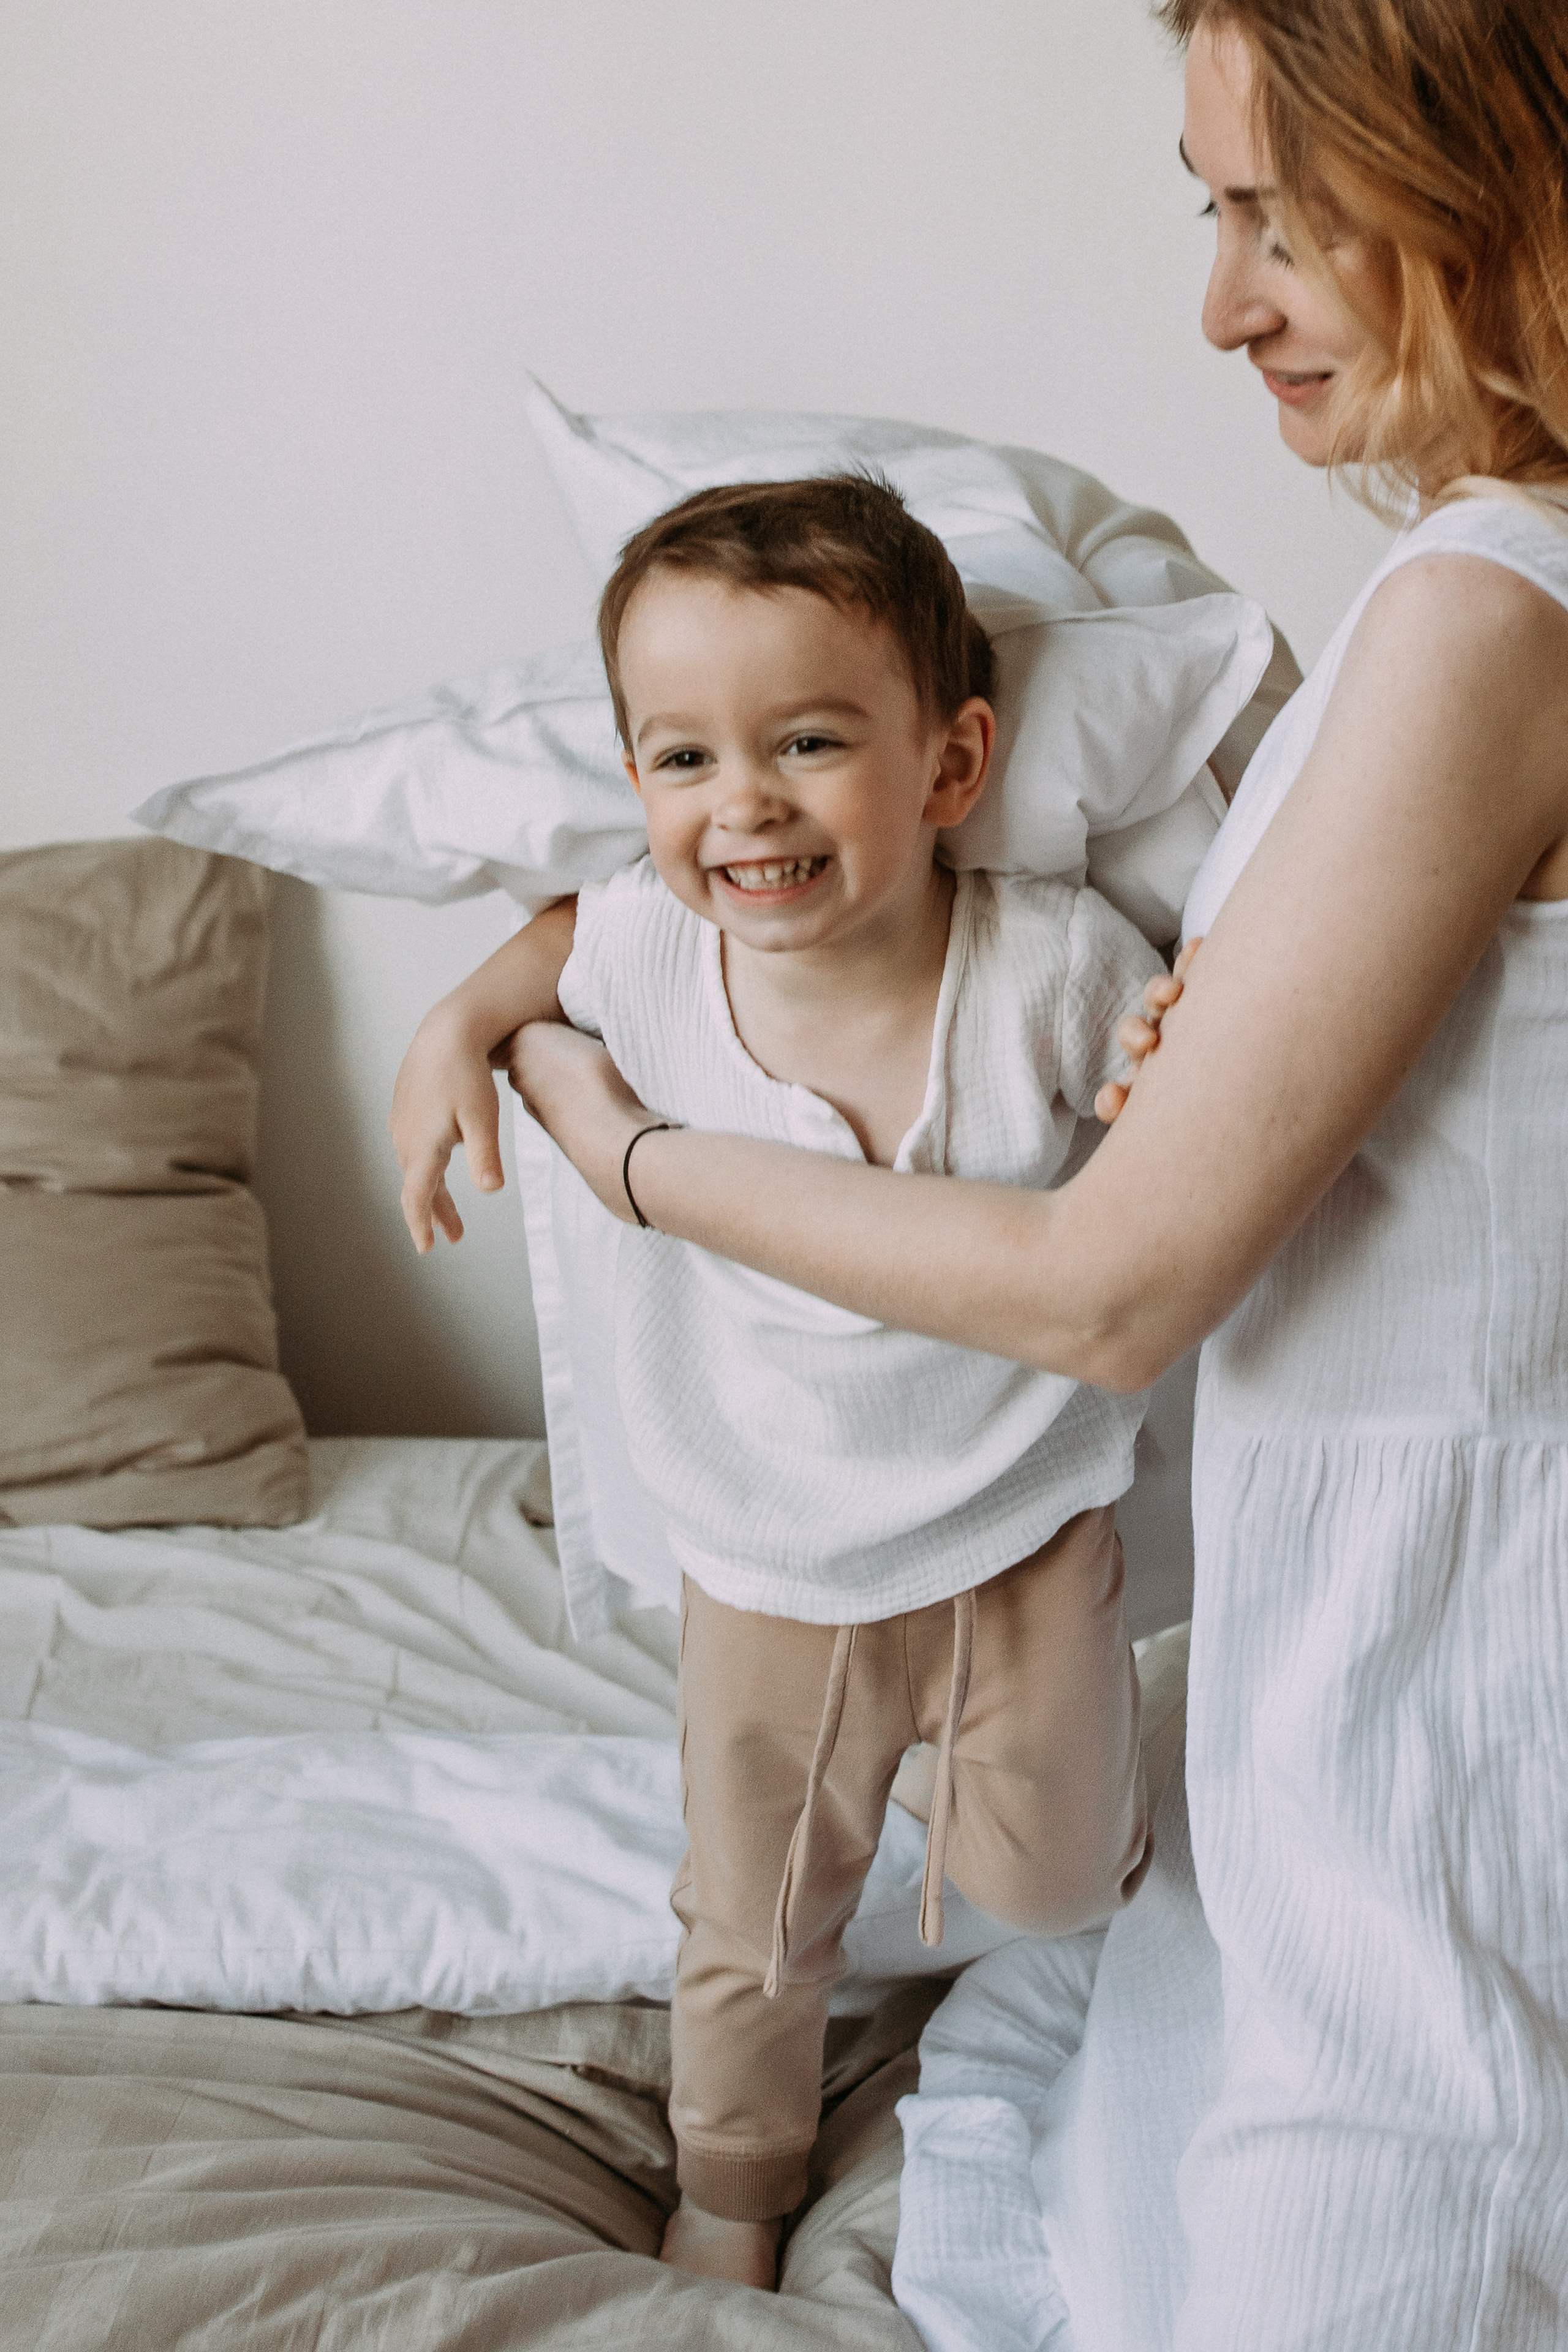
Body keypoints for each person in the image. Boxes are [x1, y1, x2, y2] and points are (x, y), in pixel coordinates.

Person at [503, 4, 1568, 2343]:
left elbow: (1106, 1288)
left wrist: (637, 1157)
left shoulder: (1494, 612)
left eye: (1284, 217)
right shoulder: (1486, 592)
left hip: (1442, 1632)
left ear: (1490, 182)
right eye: (1214, 212)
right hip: (1378, 1595)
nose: (1224, 302)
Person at [391, 472, 1162, 2290]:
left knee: (1055, 1882)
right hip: (770, 1550)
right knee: (753, 1914)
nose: (743, 802)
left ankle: (984, 1809)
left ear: (952, 763)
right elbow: (553, 947)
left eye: (808, 742)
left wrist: (1164, 1053)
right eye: (684, 759)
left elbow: (1180, 1109)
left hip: (1019, 1524)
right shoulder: (657, 952)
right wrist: (452, 1026)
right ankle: (733, 2183)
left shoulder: (1049, 965)